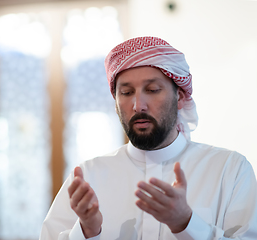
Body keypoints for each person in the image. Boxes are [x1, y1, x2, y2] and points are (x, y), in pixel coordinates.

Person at [39, 36, 257, 240]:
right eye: (126, 93)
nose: (138, 105)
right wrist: (87, 231)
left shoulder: (230, 169)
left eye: (152, 90)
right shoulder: (88, 176)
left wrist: (186, 223)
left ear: (179, 97)